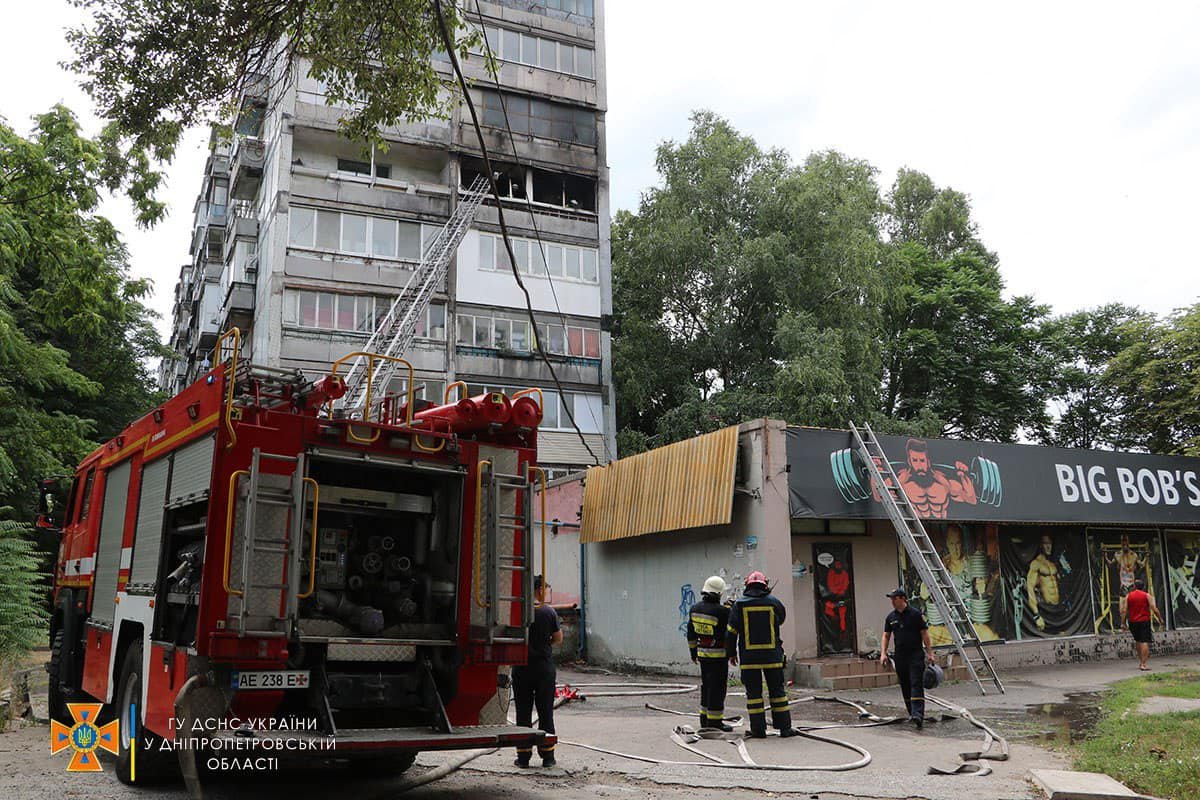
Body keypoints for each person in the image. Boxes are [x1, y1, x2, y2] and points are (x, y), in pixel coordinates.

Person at [726, 571, 796, 738]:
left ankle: (758, 730)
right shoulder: (774, 602)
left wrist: (731, 653)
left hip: (749, 658)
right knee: (778, 692)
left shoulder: (739, 605)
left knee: (754, 695)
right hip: (772, 656)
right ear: (765, 584)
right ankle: (785, 728)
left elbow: (731, 632)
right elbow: (781, 619)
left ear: (747, 585)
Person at [513, 575, 562, 768]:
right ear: (539, 590)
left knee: (523, 712)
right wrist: (544, 643)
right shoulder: (548, 612)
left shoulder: (517, 610)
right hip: (543, 668)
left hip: (521, 667)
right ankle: (548, 757)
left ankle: (523, 757)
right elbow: (558, 638)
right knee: (545, 712)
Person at [879, 588, 936, 729]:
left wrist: (930, 653)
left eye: (894, 598)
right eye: (891, 599)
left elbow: (925, 634)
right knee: (905, 684)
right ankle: (912, 713)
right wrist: (883, 653)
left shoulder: (915, 614)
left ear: (903, 598)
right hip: (900, 656)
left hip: (915, 654)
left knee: (916, 682)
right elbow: (886, 636)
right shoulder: (891, 617)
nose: (892, 601)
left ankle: (918, 714)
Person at [686, 575, 732, 731]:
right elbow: (728, 633)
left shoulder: (695, 609)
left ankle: (704, 720)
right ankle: (714, 723)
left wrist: (693, 653)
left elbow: (690, 634)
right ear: (719, 594)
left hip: (702, 655)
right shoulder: (722, 612)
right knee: (717, 689)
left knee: (706, 687)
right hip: (718, 657)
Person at [1123, 579, 1163, 671]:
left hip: (1132, 621)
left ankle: (1141, 661)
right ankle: (1143, 664)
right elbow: (1154, 608)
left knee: (1137, 640)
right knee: (1144, 641)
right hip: (1144, 621)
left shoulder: (1128, 596)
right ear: (1143, 587)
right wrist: (1160, 619)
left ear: (1134, 587)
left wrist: (1123, 623)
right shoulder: (1147, 595)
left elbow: (1124, 610)